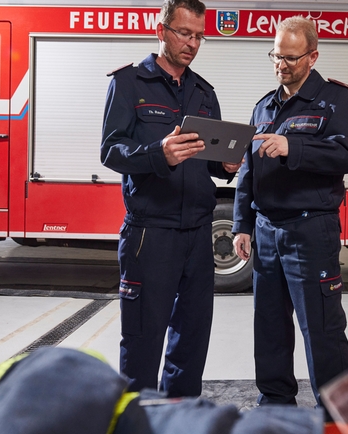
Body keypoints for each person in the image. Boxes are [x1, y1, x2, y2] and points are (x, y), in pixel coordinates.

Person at [101, 0, 239, 397]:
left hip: (198, 235)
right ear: (161, 30)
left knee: (191, 341)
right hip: (150, 234)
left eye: (198, 36)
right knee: (143, 338)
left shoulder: (204, 92)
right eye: (183, 33)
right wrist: (156, 154)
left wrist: (225, 167)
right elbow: (111, 151)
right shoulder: (128, 83)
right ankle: (139, 419)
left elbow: (207, 160)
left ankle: (181, 414)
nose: (192, 43)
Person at [231, 16, 348, 412]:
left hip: (311, 231)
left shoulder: (335, 101)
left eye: (290, 57)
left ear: (312, 56)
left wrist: (294, 148)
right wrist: (242, 224)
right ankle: (275, 402)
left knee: (322, 328)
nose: (281, 64)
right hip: (267, 232)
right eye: (276, 55)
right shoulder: (263, 106)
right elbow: (247, 171)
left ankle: (336, 413)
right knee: (269, 326)